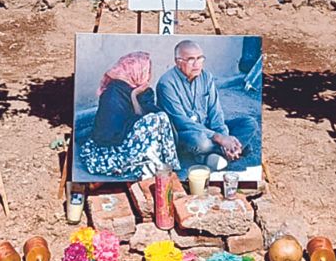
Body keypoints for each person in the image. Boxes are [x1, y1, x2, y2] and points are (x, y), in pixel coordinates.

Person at [77, 52, 179, 178]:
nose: (150, 75)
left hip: (129, 142)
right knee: (155, 119)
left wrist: (136, 95)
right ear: (135, 71)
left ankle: (167, 164)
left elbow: (148, 115)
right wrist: (133, 96)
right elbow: (107, 135)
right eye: (147, 71)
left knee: (160, 117)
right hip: (110, 151)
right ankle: (153, 162)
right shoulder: (113, 94)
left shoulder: (143, 90)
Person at [156, 40, 243, 170]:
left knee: (248, 124)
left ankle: (217, 154)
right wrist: (219, 138)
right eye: (191, 60)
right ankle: (228, 151)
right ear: (178, 62)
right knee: (200, 142)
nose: (197, 64)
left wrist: (224, 135)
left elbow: (216, 112)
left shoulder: (207, 77)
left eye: (200, 58)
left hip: (208, 129)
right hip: (185, 134)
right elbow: (181, 122)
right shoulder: (166, 84)